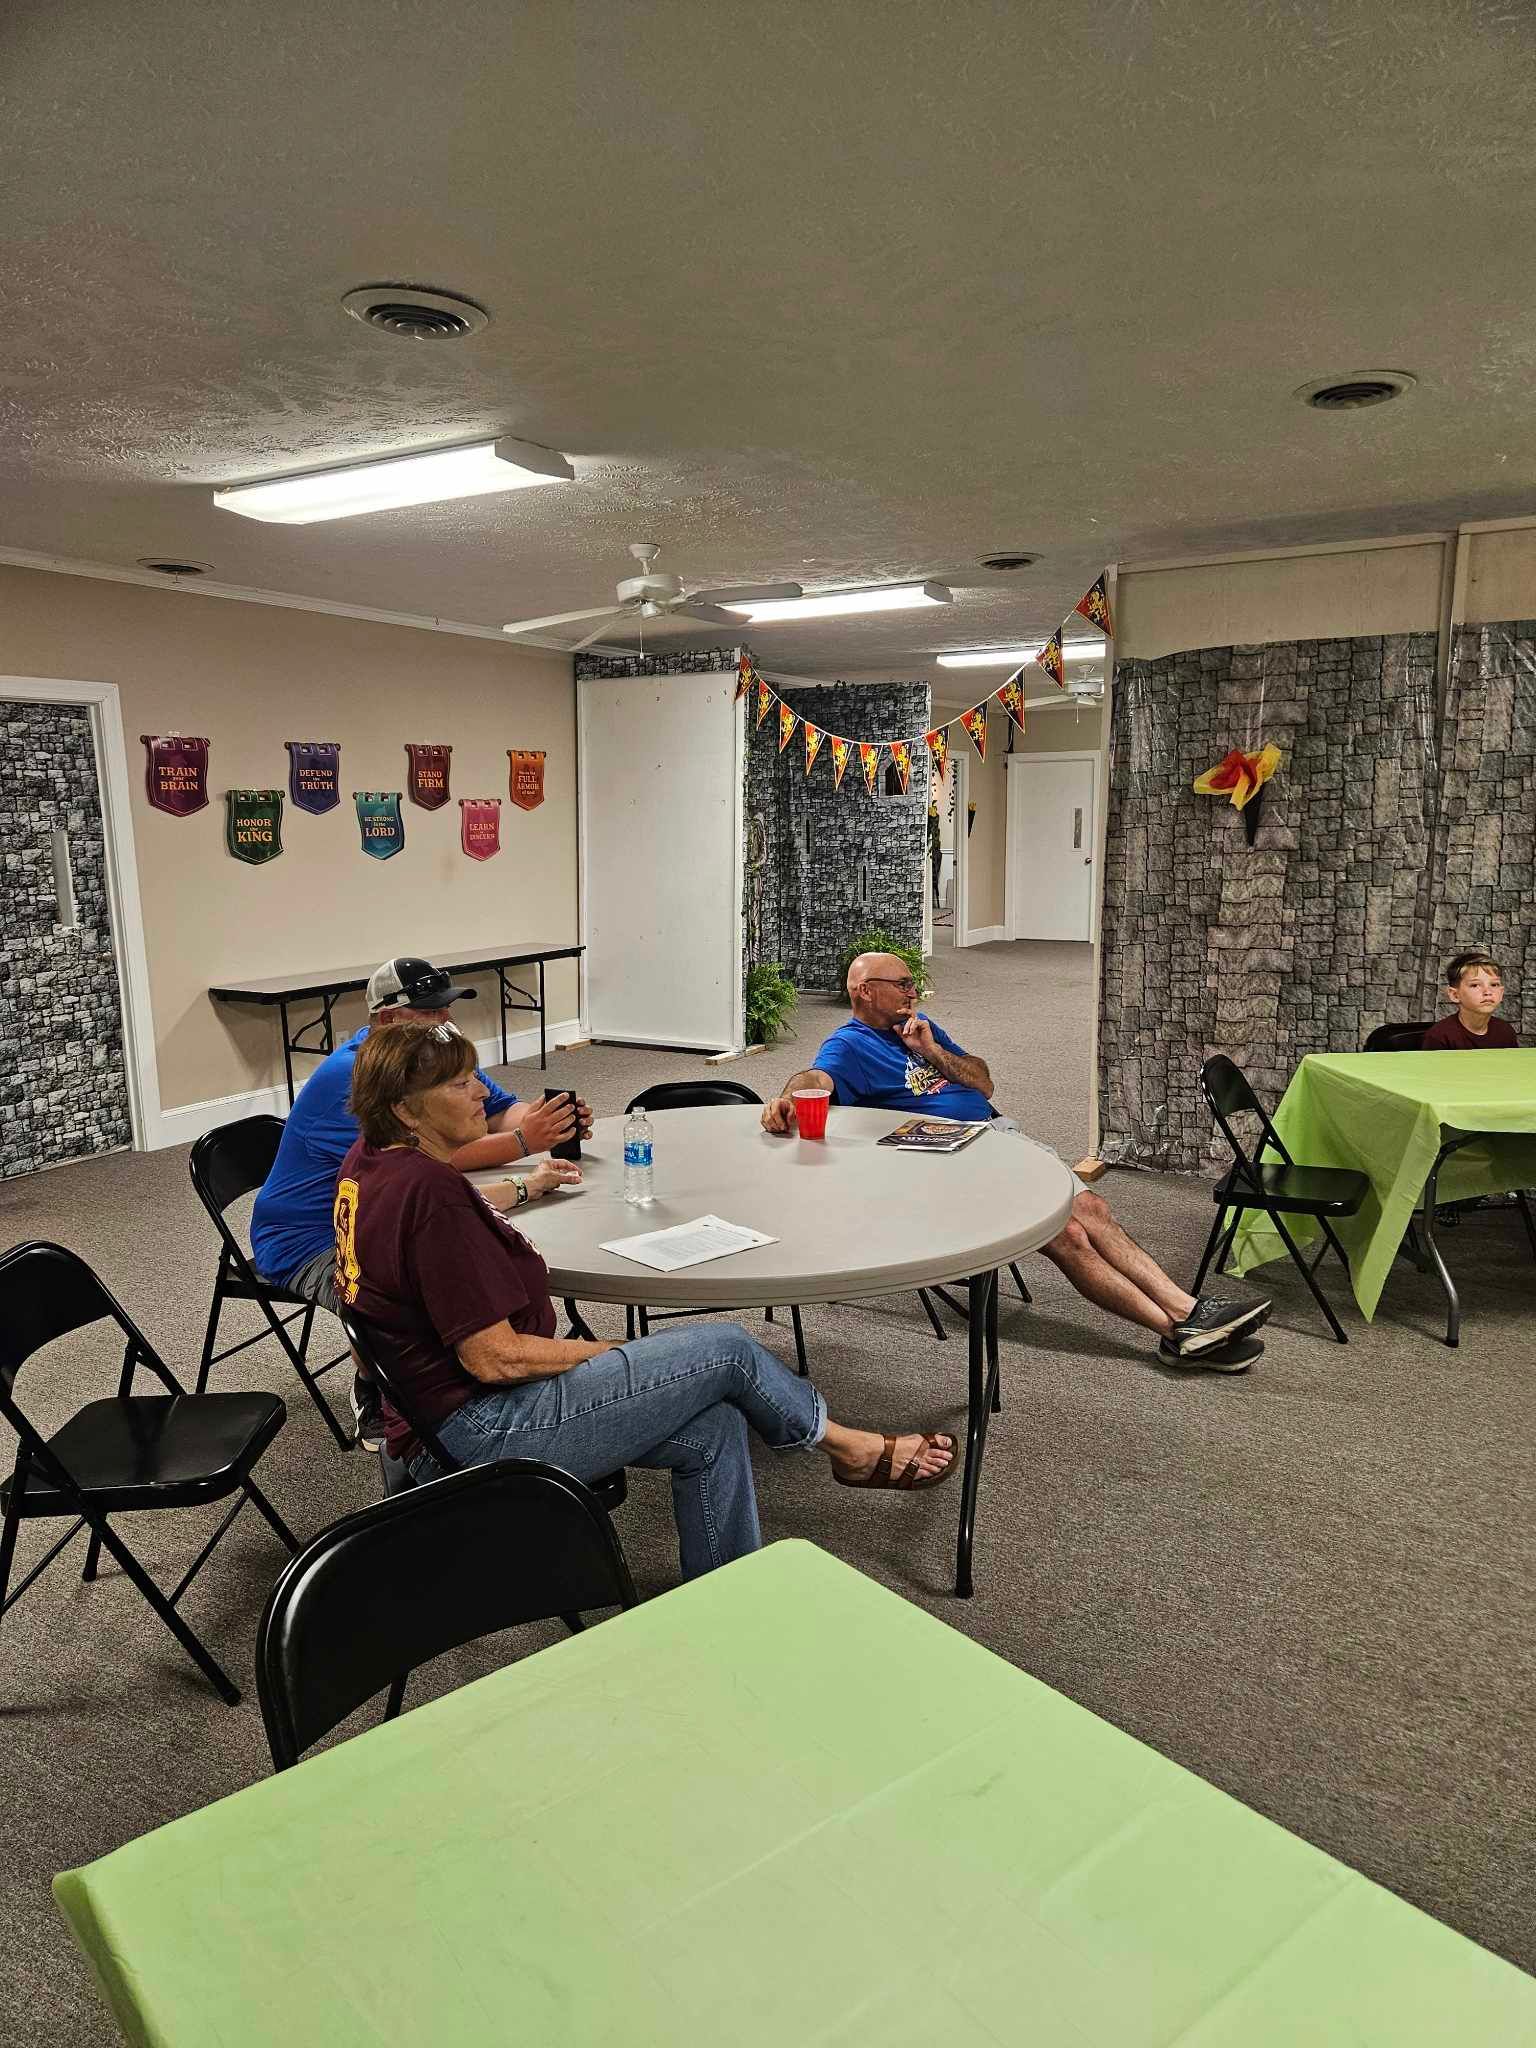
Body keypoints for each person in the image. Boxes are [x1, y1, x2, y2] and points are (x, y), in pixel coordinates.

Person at [334, 1021, 957, 1582]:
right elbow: (496, 1360)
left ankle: (728, 1592)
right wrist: (609, 1356)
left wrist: (526, 1184)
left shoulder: (373, 1167)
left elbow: (441, 1224)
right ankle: (852, 1449)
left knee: (716, 1423)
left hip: (425, 1422)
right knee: (729, 1351)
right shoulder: (434, 1197)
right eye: (459, 1084)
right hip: (484, 1431)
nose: (481, 1094)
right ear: (406, 1111)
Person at [761, 952, 1270, 1371]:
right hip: (946, 1163)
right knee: (1066, 1235)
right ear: (864, 991)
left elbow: (983, 1083)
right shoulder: (849, 1045)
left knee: (1093, 1211)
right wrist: (786, 1099)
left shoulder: (919, 1028)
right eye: (902, 983)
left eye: (913, 982)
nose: (913, 990)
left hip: (997, 1135)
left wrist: (932, 1050)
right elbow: (814, 1080)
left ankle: (1188, 1318)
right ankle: (1181, 1326)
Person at [251, 954, 592, 1446]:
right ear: (389, 1019)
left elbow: (493, 1112)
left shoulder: (437, 1057)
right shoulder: (362, 1076)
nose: (446, 1021)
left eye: (445, 1008)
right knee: (420, 1292)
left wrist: (545, 1120)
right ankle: (381, 1391)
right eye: (431, 1012)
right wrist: (524, 1142)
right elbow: (440, 1159)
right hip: (311, 1239)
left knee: (464, 1261)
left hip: (386, 1208)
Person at [1421, 951, 1519, 1050]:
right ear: (1455, 995)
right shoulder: (1439, 1037)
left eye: (1494, 985)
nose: (1488, 992)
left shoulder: (1506, 1032)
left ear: (1501, 993)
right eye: (1475, 985)